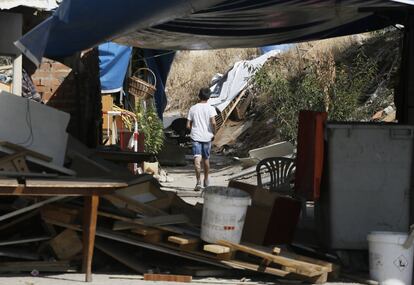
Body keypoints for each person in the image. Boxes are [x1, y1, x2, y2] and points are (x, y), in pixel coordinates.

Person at [187, 88, 217, 191]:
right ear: (209, 97)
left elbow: (188, 125)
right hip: (207, 137)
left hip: (195, 137)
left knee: (197, 159)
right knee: (206, 159)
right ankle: (206, 180)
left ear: (199, 96)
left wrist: (193, 130)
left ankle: (198, 182)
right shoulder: (211, 108)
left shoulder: (193, 108)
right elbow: (213, 123)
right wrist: (214, 133)